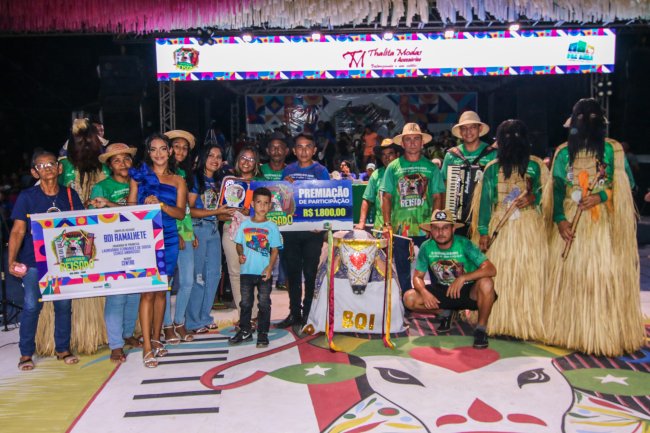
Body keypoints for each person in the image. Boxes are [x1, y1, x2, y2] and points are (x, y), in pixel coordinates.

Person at [544, 98, 644, 357]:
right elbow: (556, 188)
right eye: (580, 117)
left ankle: (601, 335)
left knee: (600, 278)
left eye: (590, 117)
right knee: (570, 277)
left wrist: (601, 196)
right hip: (570, 221)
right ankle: (570, 332)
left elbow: (628, 186)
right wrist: (560, 219)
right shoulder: (563, 153)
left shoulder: (612, 151)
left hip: (603, 227)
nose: (585, 122)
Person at [472, 120, 549, 341]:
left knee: (528, 275)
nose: (511, 140)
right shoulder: (492, 168)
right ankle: (499, 320)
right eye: (506, 136)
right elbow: (485, 203)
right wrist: (483, 232)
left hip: (529, 227)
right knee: (501, 274)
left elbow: (547, 194)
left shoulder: (536, 166)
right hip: (500, 227)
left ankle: (526, 323)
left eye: (516, 135)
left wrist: (534, 198)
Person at [8, 150, 84, 370]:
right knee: (32, 306)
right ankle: (25, 353)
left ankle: (63, 349)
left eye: (51, 164)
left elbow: (83, 225)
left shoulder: (69, 195)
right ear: (34, 172)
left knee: (63, 305)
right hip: (33, 261)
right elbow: (18, 231)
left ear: (59, 168)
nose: (47, 168)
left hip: (63, 261)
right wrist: (11, 260)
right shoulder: (27, 197)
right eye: (41, 166)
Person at [128, 133, 187, 367]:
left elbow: (180, 213)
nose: (159, 154)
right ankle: (146, 347)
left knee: (162, 291)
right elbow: (130, 210)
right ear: (149, 153)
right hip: (145, 238)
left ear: (170, 152)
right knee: (147, 293)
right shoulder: (139, 177)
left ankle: (156, 338)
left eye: (163, 149)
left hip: (169, 238)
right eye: (154, 149)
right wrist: (143, 207)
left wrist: (161, 205)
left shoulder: (178, 180)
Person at [403, 209, 497, 348]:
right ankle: (444, 313)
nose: (440, 232)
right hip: (443, 290)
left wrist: (463, 278)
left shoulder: (464, 244)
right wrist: (424, 292)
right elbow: (417, 276)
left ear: (453, 229)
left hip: (469, 291)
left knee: (487, 283)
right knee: (409, 298)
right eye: (436, 228)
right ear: (431, 230)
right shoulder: (426, 247)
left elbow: (491, 269)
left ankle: (480, 330)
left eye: (445, 228)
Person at [89, 143, 140, 363]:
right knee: (116, 296)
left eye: (126, 159)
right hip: (111, 249)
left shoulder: (139, 183)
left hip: (138, 245)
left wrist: (110, 205)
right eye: (117, 160)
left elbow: (140, 212)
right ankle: (116, 345)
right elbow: (92, 220)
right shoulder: (100, 187)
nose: (123, 164)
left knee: (134, 294)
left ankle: (128, 334)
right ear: (109, 165)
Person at [380, 123, 445, 294]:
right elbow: (386, 197)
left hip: (426, 227)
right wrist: (387, 224)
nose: (413, 143)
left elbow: (438, 197)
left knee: (434, 265)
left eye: (416, 139)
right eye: (408, 139)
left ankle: (439, 299)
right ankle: (406, 299)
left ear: (422, 142)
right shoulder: (393, 167)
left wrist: (435, 224)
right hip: (400, 228)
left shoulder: (431, 167)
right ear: (402, 143)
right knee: (402, 268)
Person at [277, 133, 329, 328]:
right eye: (300, 146)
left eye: (308, 146)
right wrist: (285, 187)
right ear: (294, 150)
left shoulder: (321, 171)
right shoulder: (288, 170)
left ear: (314, 150)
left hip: (313, 232)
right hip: (291, 230)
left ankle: (308, 312)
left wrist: (322, 225)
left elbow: (327, 199)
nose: (304, 150)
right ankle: (294, 313)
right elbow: (281, 201)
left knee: (310, 273)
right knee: (292, 273)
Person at [186, 144, 235, 333]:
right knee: (198, 277)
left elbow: (220, 210)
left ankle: (205, 317)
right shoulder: (195, 178)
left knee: (214, 275)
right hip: (198, 229)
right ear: (202, 158)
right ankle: (193, 321)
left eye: (219, 156)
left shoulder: (220, 181)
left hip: (214, 229)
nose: (215, 159)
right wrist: (216, 212)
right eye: (210, 155)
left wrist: (229, 213)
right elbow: (189, 210)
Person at [230, 187, 282, 347]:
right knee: (245, 303)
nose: (262, 206)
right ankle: (245, 331)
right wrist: (240, 254)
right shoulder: (244, 224)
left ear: (270, 206)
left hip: (264, 273)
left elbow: (275, 250)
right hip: (246, 272)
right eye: (259, 202)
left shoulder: (272, 226)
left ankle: (263, 333)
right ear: (252, 204)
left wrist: (270, 268)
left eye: (266, 203)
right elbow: (239, 244)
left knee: (264, 304)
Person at [221, 146, 264, 328]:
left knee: (254, 272)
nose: (247, 162)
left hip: (255, 232)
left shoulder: (261, 184)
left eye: (251, 159)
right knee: (235, 273)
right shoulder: (228, 182)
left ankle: (256, 314)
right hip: (231, 229)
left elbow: (269, 211)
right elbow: (219, 214)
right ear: (238, 160)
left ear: (256, 164)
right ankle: (244, 315)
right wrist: (233, 212)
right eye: (243, 158)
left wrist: (250, 213)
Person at [161, 129, 197, 344]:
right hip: (167, 233)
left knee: (188, 280)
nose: (181, 151)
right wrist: (175, 233)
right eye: (177, 147)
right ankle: (166, 325)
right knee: (167, 281)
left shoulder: (185, 174)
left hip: (186, 231)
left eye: (185, 148)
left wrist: (190, 232)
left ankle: (179, 321)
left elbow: (186, 209)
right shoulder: (159, 174)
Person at [441, 111, 496, 235]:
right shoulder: (451, 155)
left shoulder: (492, 154)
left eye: (472, 127)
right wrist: (446, 216)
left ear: (479, 129)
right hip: (457, 217)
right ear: (460, 132)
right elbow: (444, 186)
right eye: (464, 128)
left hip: (485, 217)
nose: (468, 132)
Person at [259, 133, 289, 290]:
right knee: (262, 251)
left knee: (285, 250)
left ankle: (283, 280)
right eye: (273, 148)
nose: (276, 151)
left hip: (283, 220)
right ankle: (263, 279)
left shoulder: (291, 171)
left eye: (280, 148)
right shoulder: (259, 170)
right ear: (267, 151)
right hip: (262, 220)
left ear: (286, 151)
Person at [355, 139, 402, 231]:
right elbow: (367, 199)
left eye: (390, 154)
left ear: (397, 155)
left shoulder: (404, 173)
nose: (387, 157)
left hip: (401, 226)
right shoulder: (376, 175)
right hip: (381, 228)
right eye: (383, 155)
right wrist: (361, 222)